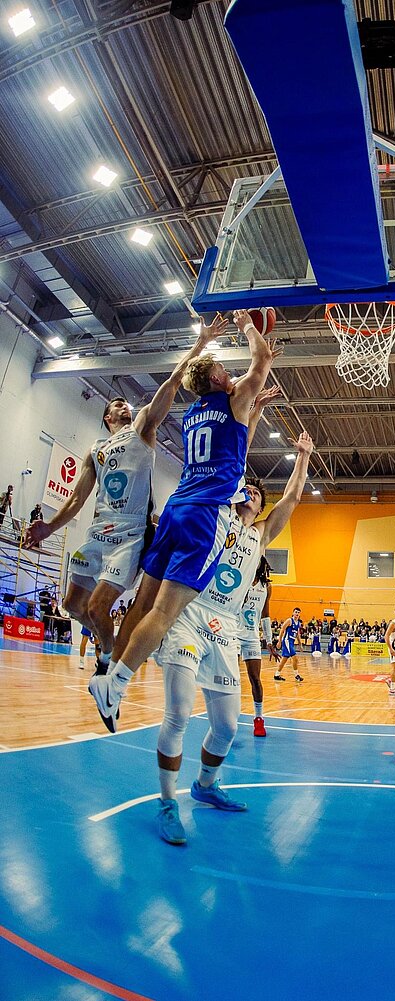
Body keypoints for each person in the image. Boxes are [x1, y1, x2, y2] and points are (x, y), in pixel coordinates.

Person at [88, 309, 281, 732]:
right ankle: (114, 685)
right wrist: (250, 324)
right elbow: (262, 360)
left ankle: (109, 674)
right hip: (205, 516)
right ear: (214, 379)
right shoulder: (233, 398)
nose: (226, 370)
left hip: (176, 508)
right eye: (220, 367)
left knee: (141, 606)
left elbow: (235, 450)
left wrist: (255, 412)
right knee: (165, 612)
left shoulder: (197, 413)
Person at [24, 316, 226, 676]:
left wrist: (200, 345)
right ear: (106, 416)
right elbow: (75, 499)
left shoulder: (143, 428)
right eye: (117, 405)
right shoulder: (96, 449)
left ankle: (109, 662)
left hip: (130, 535)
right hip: (97, 533)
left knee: (99, 607)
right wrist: (47, 529)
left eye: (125, 404)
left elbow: (172, 381)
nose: (124, 406)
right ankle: (110, 646)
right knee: (74, 605)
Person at [154, 430, 313, 846]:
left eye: (258, 495)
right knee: (179, 714)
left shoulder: (259, 535)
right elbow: (228, 461)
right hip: (189, 614)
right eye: (246, 490)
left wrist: (303, 457)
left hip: (227, 628)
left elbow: (292, 500)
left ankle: (205, 785)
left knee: (226, 726)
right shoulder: (218, 516)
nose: (251, 495)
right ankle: (167, 804)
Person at [239, 554, 272, 737]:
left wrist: (269, 640)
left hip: (251, 636)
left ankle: (259, 719)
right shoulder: (240, 577)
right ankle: (225, 718)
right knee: (231, 679)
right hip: (233, 633)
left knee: (255, 678)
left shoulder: (266, 586)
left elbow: (266, 614)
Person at [274, 608, 303, 682]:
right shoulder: (289, 620)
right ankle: (296, 675)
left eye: (298, 613)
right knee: (295, 658)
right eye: (296, 612)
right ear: (293, 613)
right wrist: (279, 641)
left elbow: (298, 634)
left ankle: (277, 675)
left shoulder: (299, 623)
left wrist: (300, 644)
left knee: (284, 660)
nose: (297, 614)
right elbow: (282, 630)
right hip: (287, 641)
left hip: (291, 642)